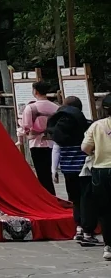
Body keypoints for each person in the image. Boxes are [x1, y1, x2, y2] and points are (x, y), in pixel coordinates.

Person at [48, 96, 93, 244]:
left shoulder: (60, 128)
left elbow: (56, 149)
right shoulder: (85, 125)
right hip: (84, 169)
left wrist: (53, 170)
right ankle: (87, 231)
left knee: (75, 200)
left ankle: (78, 228)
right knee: (86, 199)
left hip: (67, 170)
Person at [80, 94, 111, 260]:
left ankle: (108, 246)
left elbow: (85, 147)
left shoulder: (97, 125)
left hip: (101, 171)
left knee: (105, 210)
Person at [19, 80, 61, 193]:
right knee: (50, 171)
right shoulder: (56, 108)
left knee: (42, 174)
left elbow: (26, 127)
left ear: (35, 91)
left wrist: (21, 134)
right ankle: (52, 196)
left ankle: (48, 198)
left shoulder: (31, 108)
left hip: (37, 143)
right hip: (53, 143)